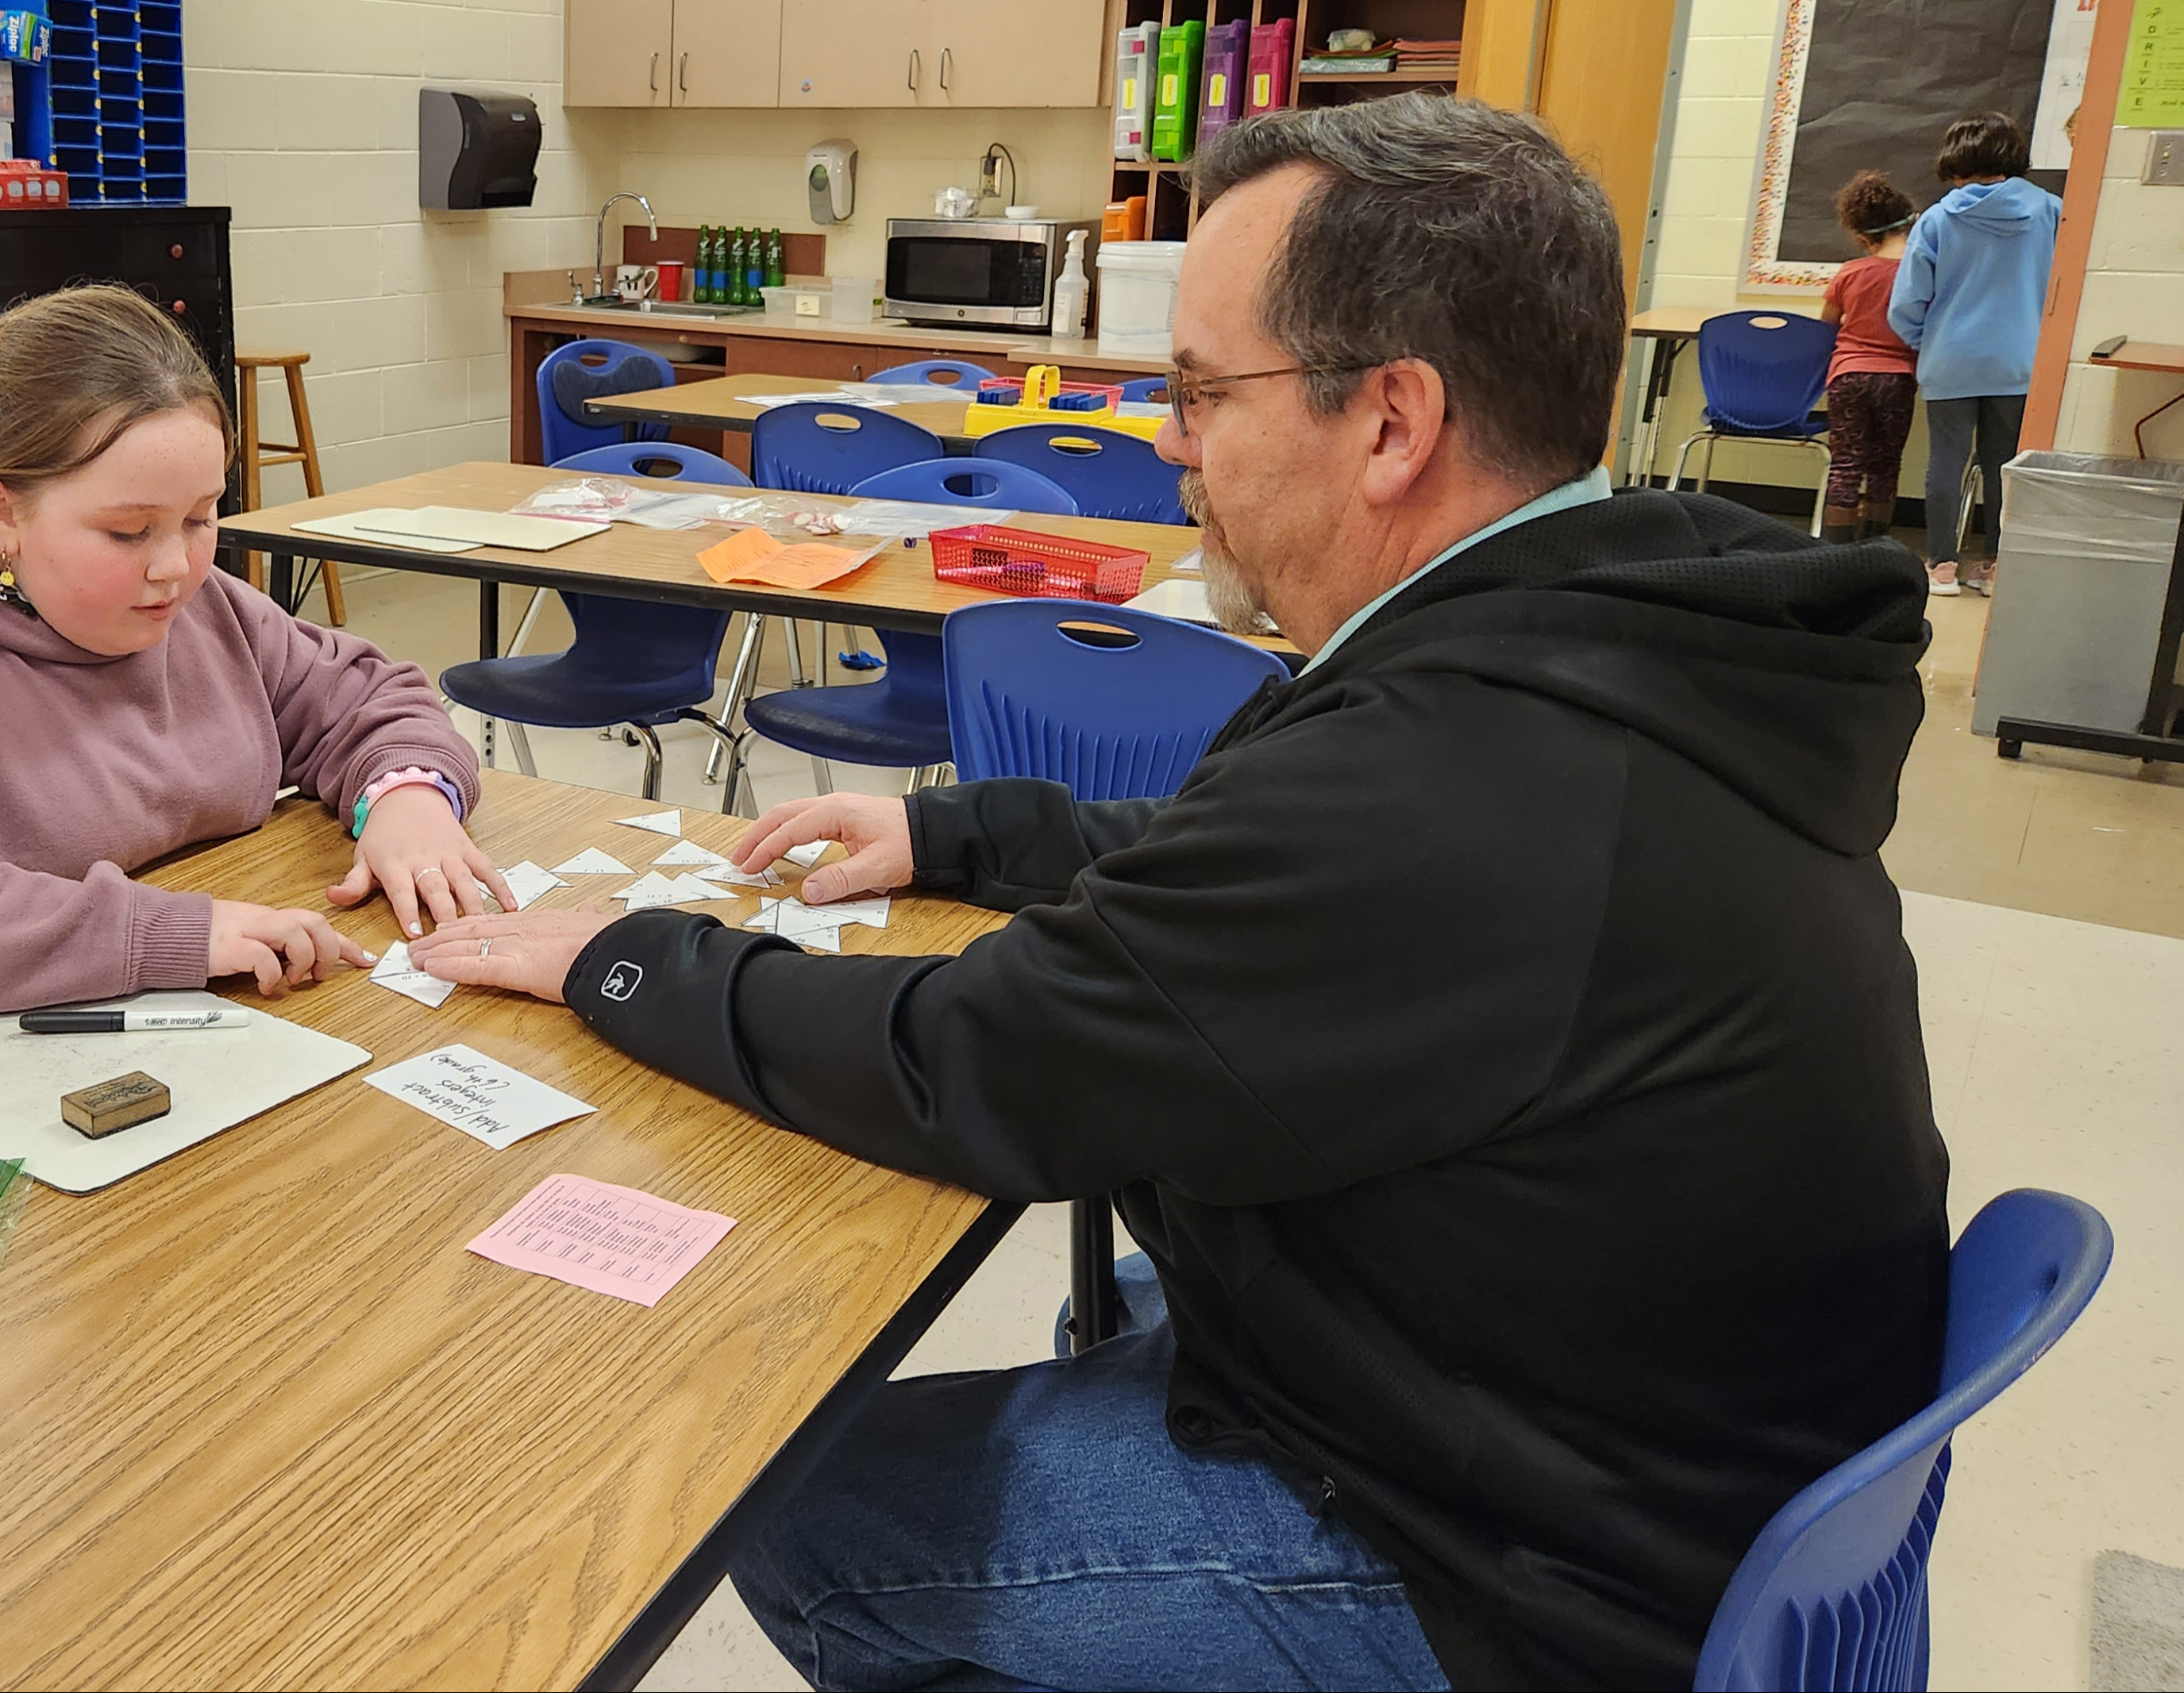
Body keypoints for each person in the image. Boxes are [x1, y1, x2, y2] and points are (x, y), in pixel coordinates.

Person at [413, 94, 1949, 1691]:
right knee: (1124, 1287)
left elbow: (973, 1061)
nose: (1166, 439)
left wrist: (627, 957)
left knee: (786, 1492)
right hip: (1634, 1444)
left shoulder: (1457, 778)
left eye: (1201, 391)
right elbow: (1251, 878)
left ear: (1390, 421)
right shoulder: (1602, 629)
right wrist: (958, 836)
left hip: (1529, 1586)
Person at [0, 286, 505, 1021]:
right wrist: (155, 936)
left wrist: (408, 801)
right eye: (128, 532)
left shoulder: (195, 606)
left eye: (201, 517)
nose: (175, 567)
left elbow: (363, 696)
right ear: (1, 515)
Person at [1889, 111, 2062, 595]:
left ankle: (1942, 566)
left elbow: (1906, 303)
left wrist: (1931, 340)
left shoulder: (1939, 219)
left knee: (1945, 461)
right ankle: (1996, 565)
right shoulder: (2050, 210)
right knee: (2003, 462)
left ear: (1955, 160)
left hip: (1951, 360)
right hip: (2020, 362)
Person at [1817, 169, 1920, 547]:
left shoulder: (1850, 272)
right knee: (1884, 465)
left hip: (1848, 377)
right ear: (1911, 222)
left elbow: (1825, 326)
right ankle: (1878, 547)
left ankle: (1834, 552)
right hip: (1897, 378)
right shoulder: (1920, 272)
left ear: (1862, 237)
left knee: (1845, 465)